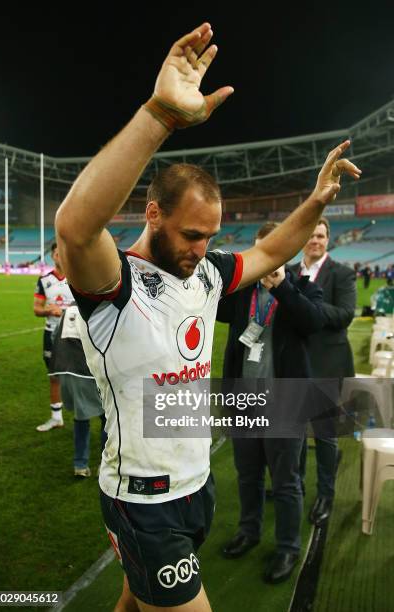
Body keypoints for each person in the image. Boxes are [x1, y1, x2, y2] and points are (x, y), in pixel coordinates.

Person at [55, 23, 361, 612]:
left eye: (212, 237)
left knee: (131, 602)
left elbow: (271, 252)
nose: (203, 247)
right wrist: (159, 117)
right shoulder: (112, 283)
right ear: (152, 213)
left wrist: (316, 201)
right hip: (142, 499)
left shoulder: (207, 272)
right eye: (192, 234)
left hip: (195, 485)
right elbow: (73, 227)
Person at [217, 221, 325, 584]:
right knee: (247, 476)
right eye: (262, 251)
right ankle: (249, 531)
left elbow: (311, 323)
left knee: (286, 482)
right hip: (244, 402)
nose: (268, 259)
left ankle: (288, 547)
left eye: (275, 250)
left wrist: (281, 286)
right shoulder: (239, 293)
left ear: (287, 252)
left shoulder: (305, 288)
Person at [291, 217, 356, 526]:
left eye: (320, 235)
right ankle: (297, 486)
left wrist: (304, 303)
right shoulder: (289, 272)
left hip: (328, 365)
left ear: (328, 240)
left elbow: (344, 315)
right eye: (311, 234)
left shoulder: (341, 273)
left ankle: (326, 495)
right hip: (293, 365)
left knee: (326, 437)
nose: (315, 240)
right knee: (296, 435)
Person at [49, 304, 107, 477]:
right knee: (107, 417)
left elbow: (54, 336)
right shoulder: (98, 308)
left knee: (81, 418)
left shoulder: (68, 309)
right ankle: (102, 464)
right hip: (86, 372)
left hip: (64, 369)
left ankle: (80, 464)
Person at [33, 242, 74, 431]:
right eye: (55, 253)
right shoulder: (44, 281)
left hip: (75, 334)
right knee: (54, 375)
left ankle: (91, 415)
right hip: (51, 333)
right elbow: (37, 309)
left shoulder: (78, 278)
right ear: (52, 256)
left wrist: (68, 311)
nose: (59, 255)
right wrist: (48, 310)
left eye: (61, 252)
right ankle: (56, 417)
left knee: (85, 375)